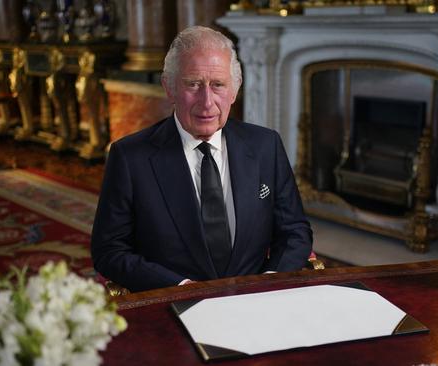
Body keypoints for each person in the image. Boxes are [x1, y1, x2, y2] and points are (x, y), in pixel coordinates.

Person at [91, 26, 313, 292]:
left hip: (257, 301)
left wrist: (269, 281)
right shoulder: (130, 157)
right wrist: (179, 287)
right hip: (173, 304)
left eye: (218, 85)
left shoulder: (266, 145)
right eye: (193, 84)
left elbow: (294, 231)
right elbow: (109, 250)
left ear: (235, 90)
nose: (207, 102)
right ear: (169, 88)